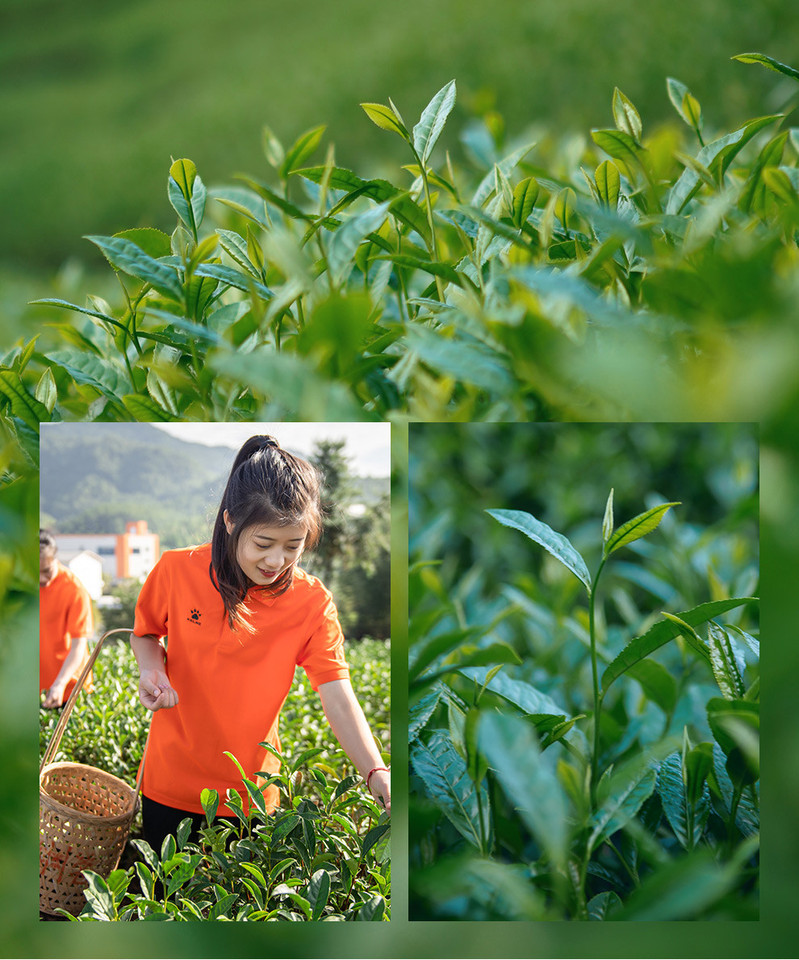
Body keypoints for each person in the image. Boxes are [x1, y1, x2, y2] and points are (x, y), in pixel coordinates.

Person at [131, 435, 390, 850]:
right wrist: (152, 668)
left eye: (294, 546)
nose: (276, 562)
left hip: (250, 797)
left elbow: (338, 694)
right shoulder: (177, 570)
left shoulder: (311, 602)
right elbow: (144, 632)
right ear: (231, 521)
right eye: (263, 544)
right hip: (169, 785)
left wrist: (376, 771)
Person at [39, 529, 94, 708]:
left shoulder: (74, 590)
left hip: (69, 690)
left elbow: (79, 645)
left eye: (47, 571)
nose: (42, 579)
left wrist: (60, 684)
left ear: (55, 558)